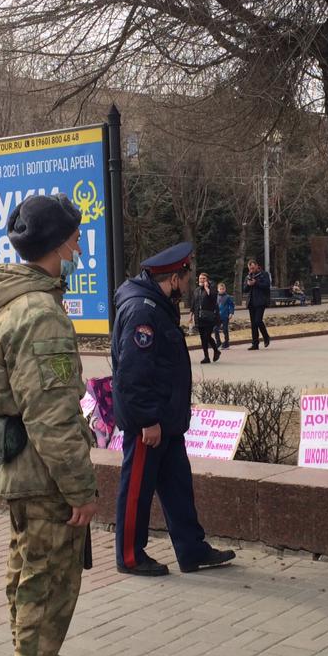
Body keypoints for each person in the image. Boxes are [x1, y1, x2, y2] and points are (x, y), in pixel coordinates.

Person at [0, 194, 107, 656]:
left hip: (20, 462)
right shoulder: (40, 314)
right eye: (74, 238)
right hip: (42, 471)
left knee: (33, 571)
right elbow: (51, 416)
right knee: (45, 578)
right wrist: (80, 489)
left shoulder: (7, 302)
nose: (78, 246)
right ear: (56, 244)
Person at [111, 242, 236, 576]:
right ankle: (130, 556)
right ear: (174, 278)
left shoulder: (157, 305)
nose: (189, 282)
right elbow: (134, 374)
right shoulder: (143, 310)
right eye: (186, 276)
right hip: (149, 424)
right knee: (137, 488)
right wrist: (148, 420)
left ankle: (191, 550)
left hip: (166, 422)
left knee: (178, 488)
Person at [191, 271, 221, 364]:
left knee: (207, 336)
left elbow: (213, 299)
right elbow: (194, 304)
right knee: (203, 338)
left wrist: (207, 288)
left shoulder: (211, 288)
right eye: (200, 278)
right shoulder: (196, 290)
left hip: (209, 317)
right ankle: (206, 357)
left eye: (203, 278)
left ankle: (216, 350)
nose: (201, 280)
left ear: (207, 280)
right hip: (199, 317)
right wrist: (191, 315)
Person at [244, 258, 272, 349]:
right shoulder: (248, 276)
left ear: (256, 266)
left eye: (252, 268)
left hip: (261, 301)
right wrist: (248, 284)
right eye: (250, 268)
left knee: (258, 321)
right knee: (253, 324)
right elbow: (244, 289)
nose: (251, 270)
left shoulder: (264, 274)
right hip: (251, 302)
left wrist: (256, 283)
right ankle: (255, 343)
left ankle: (266, 336)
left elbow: (267, 285)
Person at [217, 282, 235, 349]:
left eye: (223, 289)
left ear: (225, 289)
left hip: (225, 315)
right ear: (218, 289)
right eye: (220, 289)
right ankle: (218, 342)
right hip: (217, 316)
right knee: (215, 329)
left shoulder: (228, 297)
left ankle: (226, 343)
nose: (222, 290)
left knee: (225, 329)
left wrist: (231, 313)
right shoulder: (216, 297)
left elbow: (231, 305)